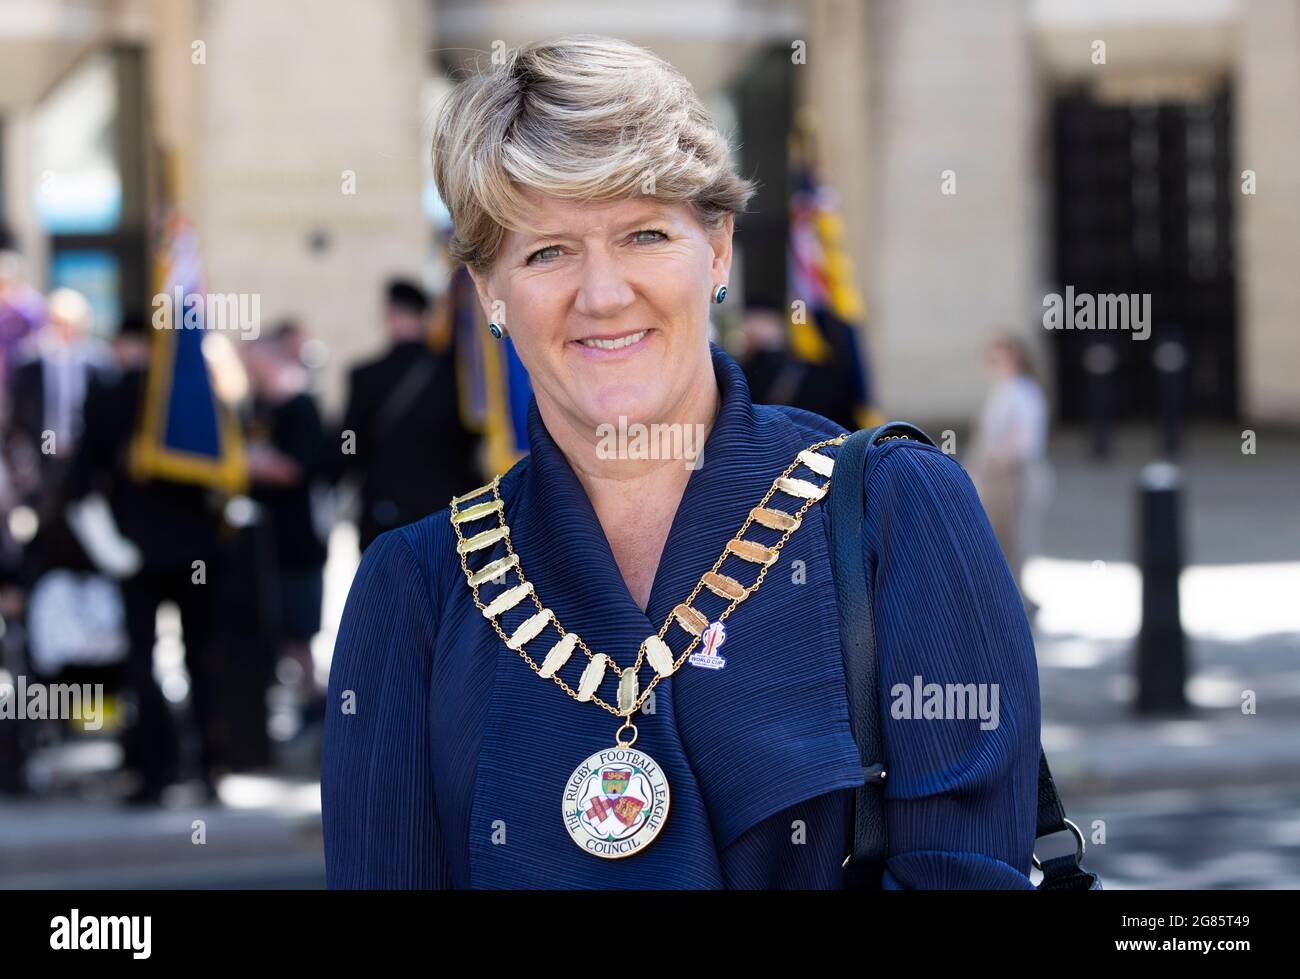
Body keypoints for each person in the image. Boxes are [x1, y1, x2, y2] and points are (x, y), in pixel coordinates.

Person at [322, 34, 1041, 889]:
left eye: (643, 234)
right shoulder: (416, 590)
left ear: (720, 249)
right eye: (546, 250)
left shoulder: (899, 511)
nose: (602, 292)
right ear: (488, 291)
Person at [329, 279, 479, 553]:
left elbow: (348, 436)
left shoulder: (365, 375)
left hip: (384, 509)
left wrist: (345, 461)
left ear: (390, 315)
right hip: (449, 510)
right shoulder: (458, 374)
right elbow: (472, 436)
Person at [966, 335, 1052, 609]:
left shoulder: (1023, 391)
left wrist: (998, 458)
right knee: (998, 536)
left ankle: (1015, 599)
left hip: (1011, 475)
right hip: (997, 474)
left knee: (1010, 538)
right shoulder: (1004, 390)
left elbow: (1024, 438)